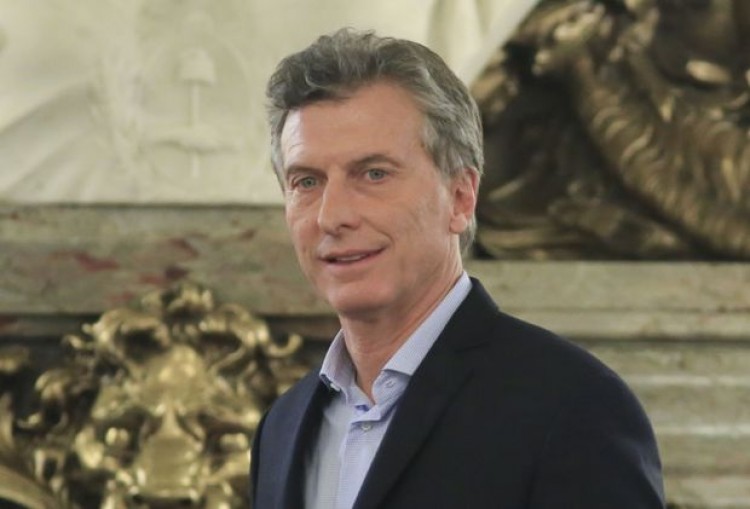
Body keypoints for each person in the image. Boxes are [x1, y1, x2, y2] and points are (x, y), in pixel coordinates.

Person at [250, 28, 665, 509]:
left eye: (374, 174)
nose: (332, 215)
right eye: (306, 181)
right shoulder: (281, 427)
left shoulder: (574, 407)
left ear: (461, 198)